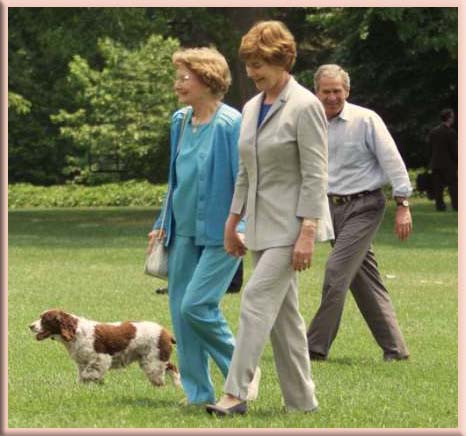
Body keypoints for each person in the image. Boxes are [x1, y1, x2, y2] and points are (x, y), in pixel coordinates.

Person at [206, 21, 332, 417]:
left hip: (293, 227)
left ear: (283, 60)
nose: (252, 72)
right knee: (284, 320)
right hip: (259, 226)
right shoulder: (249, 107)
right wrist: (233, 221)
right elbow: (245, 171)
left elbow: (316, 173)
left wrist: (308, 231)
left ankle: (236, 392)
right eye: (249, 64)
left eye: (260, 64)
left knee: (256, 300)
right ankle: (302, 402)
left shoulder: (306, 105)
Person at [148, 47, 249, 406]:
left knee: (197, 306)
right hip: (182, 232)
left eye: (184, 77)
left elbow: (246, 179)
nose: (177, 84)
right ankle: (198, 394)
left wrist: (242, 226)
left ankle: (242, 373)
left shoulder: (230, 124)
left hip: (225, 233)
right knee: (180, 313)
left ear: (208, 80)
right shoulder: (179, 120)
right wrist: (162, 222)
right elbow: (175, 179)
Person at [306, 64, 412, 363]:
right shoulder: (311, 122)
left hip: (365, 206)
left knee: (336, 271)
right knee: (364, 280)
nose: (331, 97)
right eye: (325, 91)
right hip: (330, 210)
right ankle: (396, 349)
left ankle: (313, 347)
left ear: (347, 91)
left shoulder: (366, 120)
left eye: (337, 91)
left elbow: (393, 161)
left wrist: (403, 205)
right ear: (317, 92)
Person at [428, 108, 457, 211]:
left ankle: (440, 206)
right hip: (448, 164)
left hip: (436, 163)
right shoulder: (451, 133)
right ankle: (456, 205)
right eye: (452, 116)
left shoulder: (433, 132)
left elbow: (430, 148)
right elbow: (454, 150)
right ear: (449, 118)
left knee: (438, 187)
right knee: (453, 186)